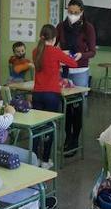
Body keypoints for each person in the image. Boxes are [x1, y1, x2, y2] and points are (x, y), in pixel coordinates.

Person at [30, 24, 79, 163]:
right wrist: (66, 58)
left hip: (37, 93)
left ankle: (34, 159)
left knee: (36, 126)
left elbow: (45, 64)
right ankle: (45, 160)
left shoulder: (35, 51)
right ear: (55, 38)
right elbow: (73, 64)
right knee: (49, 126)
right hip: (52, 94)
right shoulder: (55, 52)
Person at [55, 0, 96, 155]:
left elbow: (92, 51)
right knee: (66, 107)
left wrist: (81, 54)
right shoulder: (61, 26)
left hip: (80, 70)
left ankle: (74, 140)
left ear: (82, 12)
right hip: (64, 71)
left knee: (76, 107)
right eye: (70, 12)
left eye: (76, 13)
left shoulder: (88, 28)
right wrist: (59, 53)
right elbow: (53, 44)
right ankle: (67, 138)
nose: (72, 15)